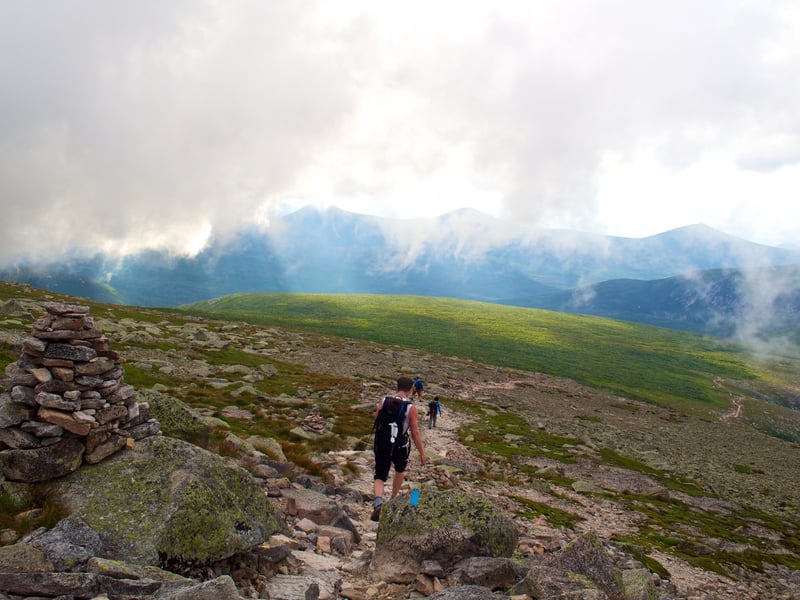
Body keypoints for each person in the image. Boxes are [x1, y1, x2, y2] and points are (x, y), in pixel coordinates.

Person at [371, 376, 426, 521]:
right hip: (400, 445)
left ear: (397, 386)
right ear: (410, 389)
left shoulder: (383, 401)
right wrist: (421, 452)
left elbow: (377, 418)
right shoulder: (410, 408)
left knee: (380, 474)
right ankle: (393, 498)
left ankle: (378, 502)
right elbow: (414, 432)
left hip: (382, 442)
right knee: (400, 470)